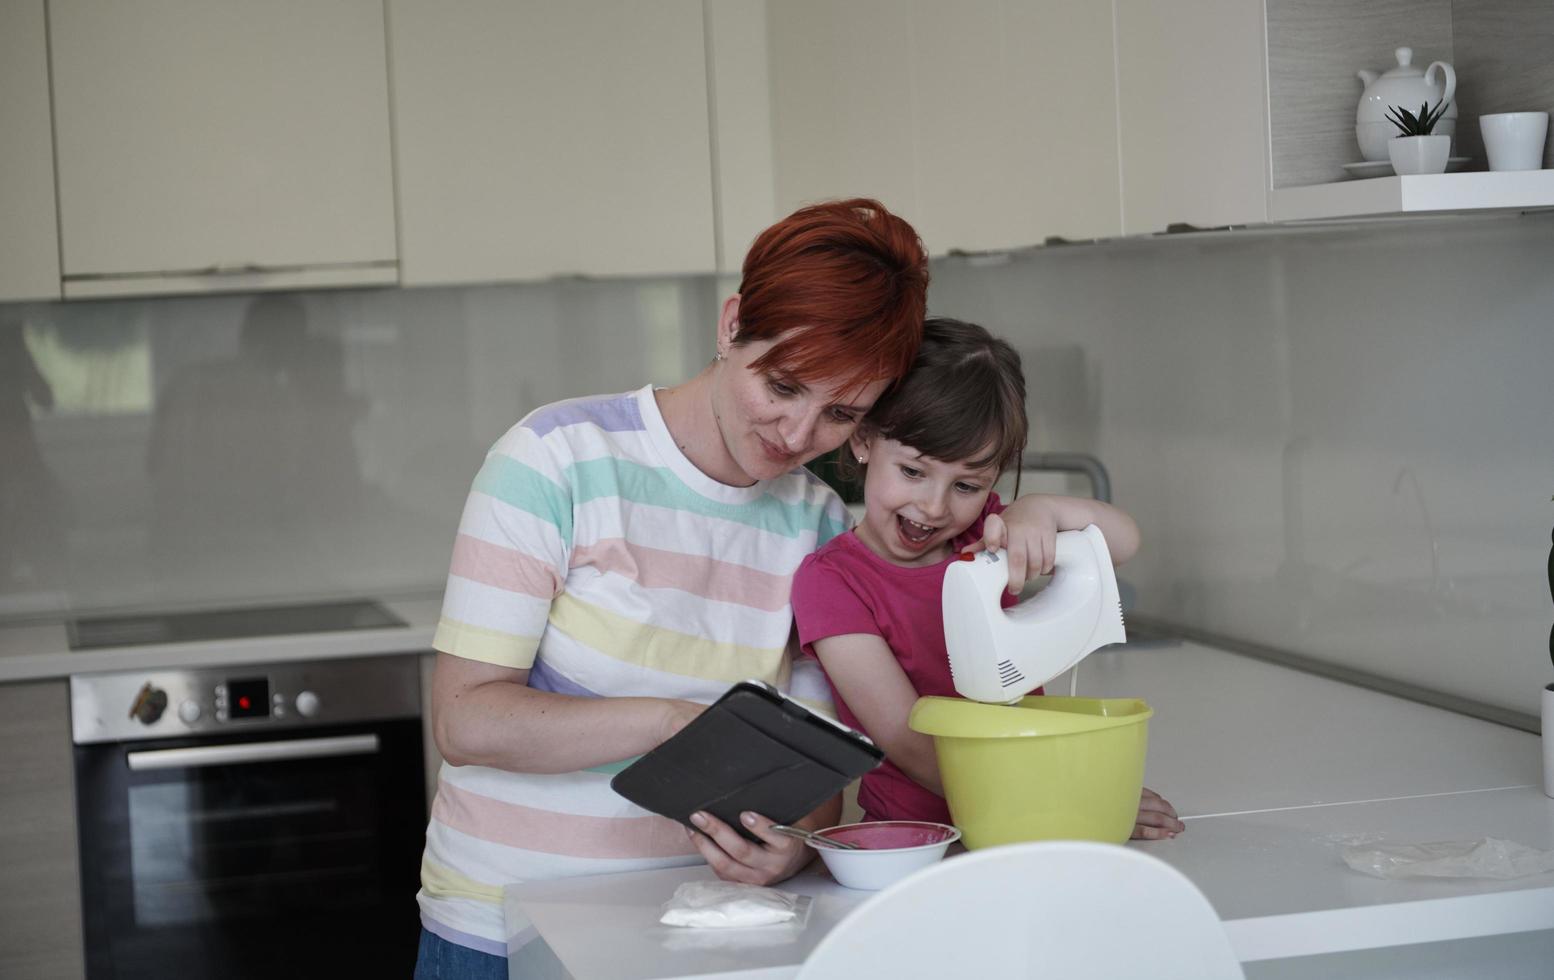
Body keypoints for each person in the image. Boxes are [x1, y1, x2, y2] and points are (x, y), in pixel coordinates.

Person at [415, 199, 930, 979]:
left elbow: (818, 778)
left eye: (840, 414)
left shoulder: (817, 522)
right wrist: (670, 723)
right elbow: (464, 720)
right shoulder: (558, 459)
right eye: (783, 386)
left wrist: (791, 849)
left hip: (700, 940)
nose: (797, 436)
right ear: (731, 327)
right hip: (507, 932)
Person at [791, 317, 1183, 839]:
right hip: (921, 836)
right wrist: (1073, 796)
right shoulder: (832, 581)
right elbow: (909, 742)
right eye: (912, 471)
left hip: (1035, 819)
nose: (932, 506)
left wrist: (1040, 509)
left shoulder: (987, 535)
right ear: (864, 440)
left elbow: (1124, 541)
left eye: (968, 485)